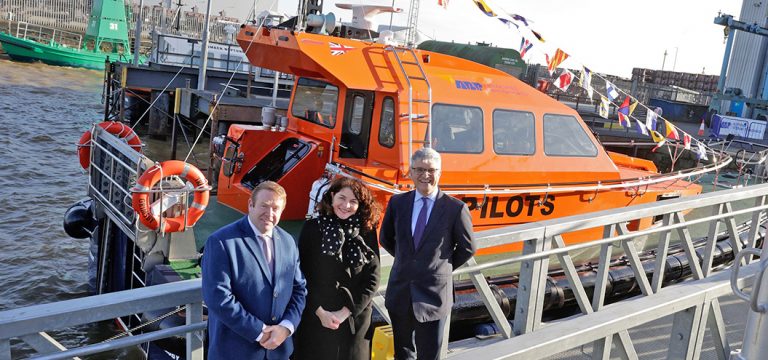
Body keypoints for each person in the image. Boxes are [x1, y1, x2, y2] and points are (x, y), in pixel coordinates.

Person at [380, 147, 476, 360]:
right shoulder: (397, 203)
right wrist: (408, 261)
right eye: (420, 169)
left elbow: (468, 248)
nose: (425, 175)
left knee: (429, 355)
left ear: (440, 172)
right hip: (401, 291)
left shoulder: (455, 208)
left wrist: (439, 267)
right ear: (411, 172)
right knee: (403, 353)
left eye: (431, 170)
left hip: (434, 294)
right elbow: (385, 239)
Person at [202, 181, 307, 360]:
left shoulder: (288, 241)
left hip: (279, 351)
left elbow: (299, 289)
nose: (270, 214)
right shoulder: (221, 242)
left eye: (276, 208)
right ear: (250, 204)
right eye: (264, 206)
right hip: (234, 352)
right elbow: (218, 297)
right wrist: (259, 331)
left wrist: (286, 327)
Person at [293, 177, 382, 360]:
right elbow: (300, 275)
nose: (346, 205)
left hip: (354, 319)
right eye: (342, 198)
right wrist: (320, 311)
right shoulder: (312, 228)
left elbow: (373, 278)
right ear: (332, 197)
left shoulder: (367, 231)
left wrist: (346, 311)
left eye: (353, 201)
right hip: (317, 317)